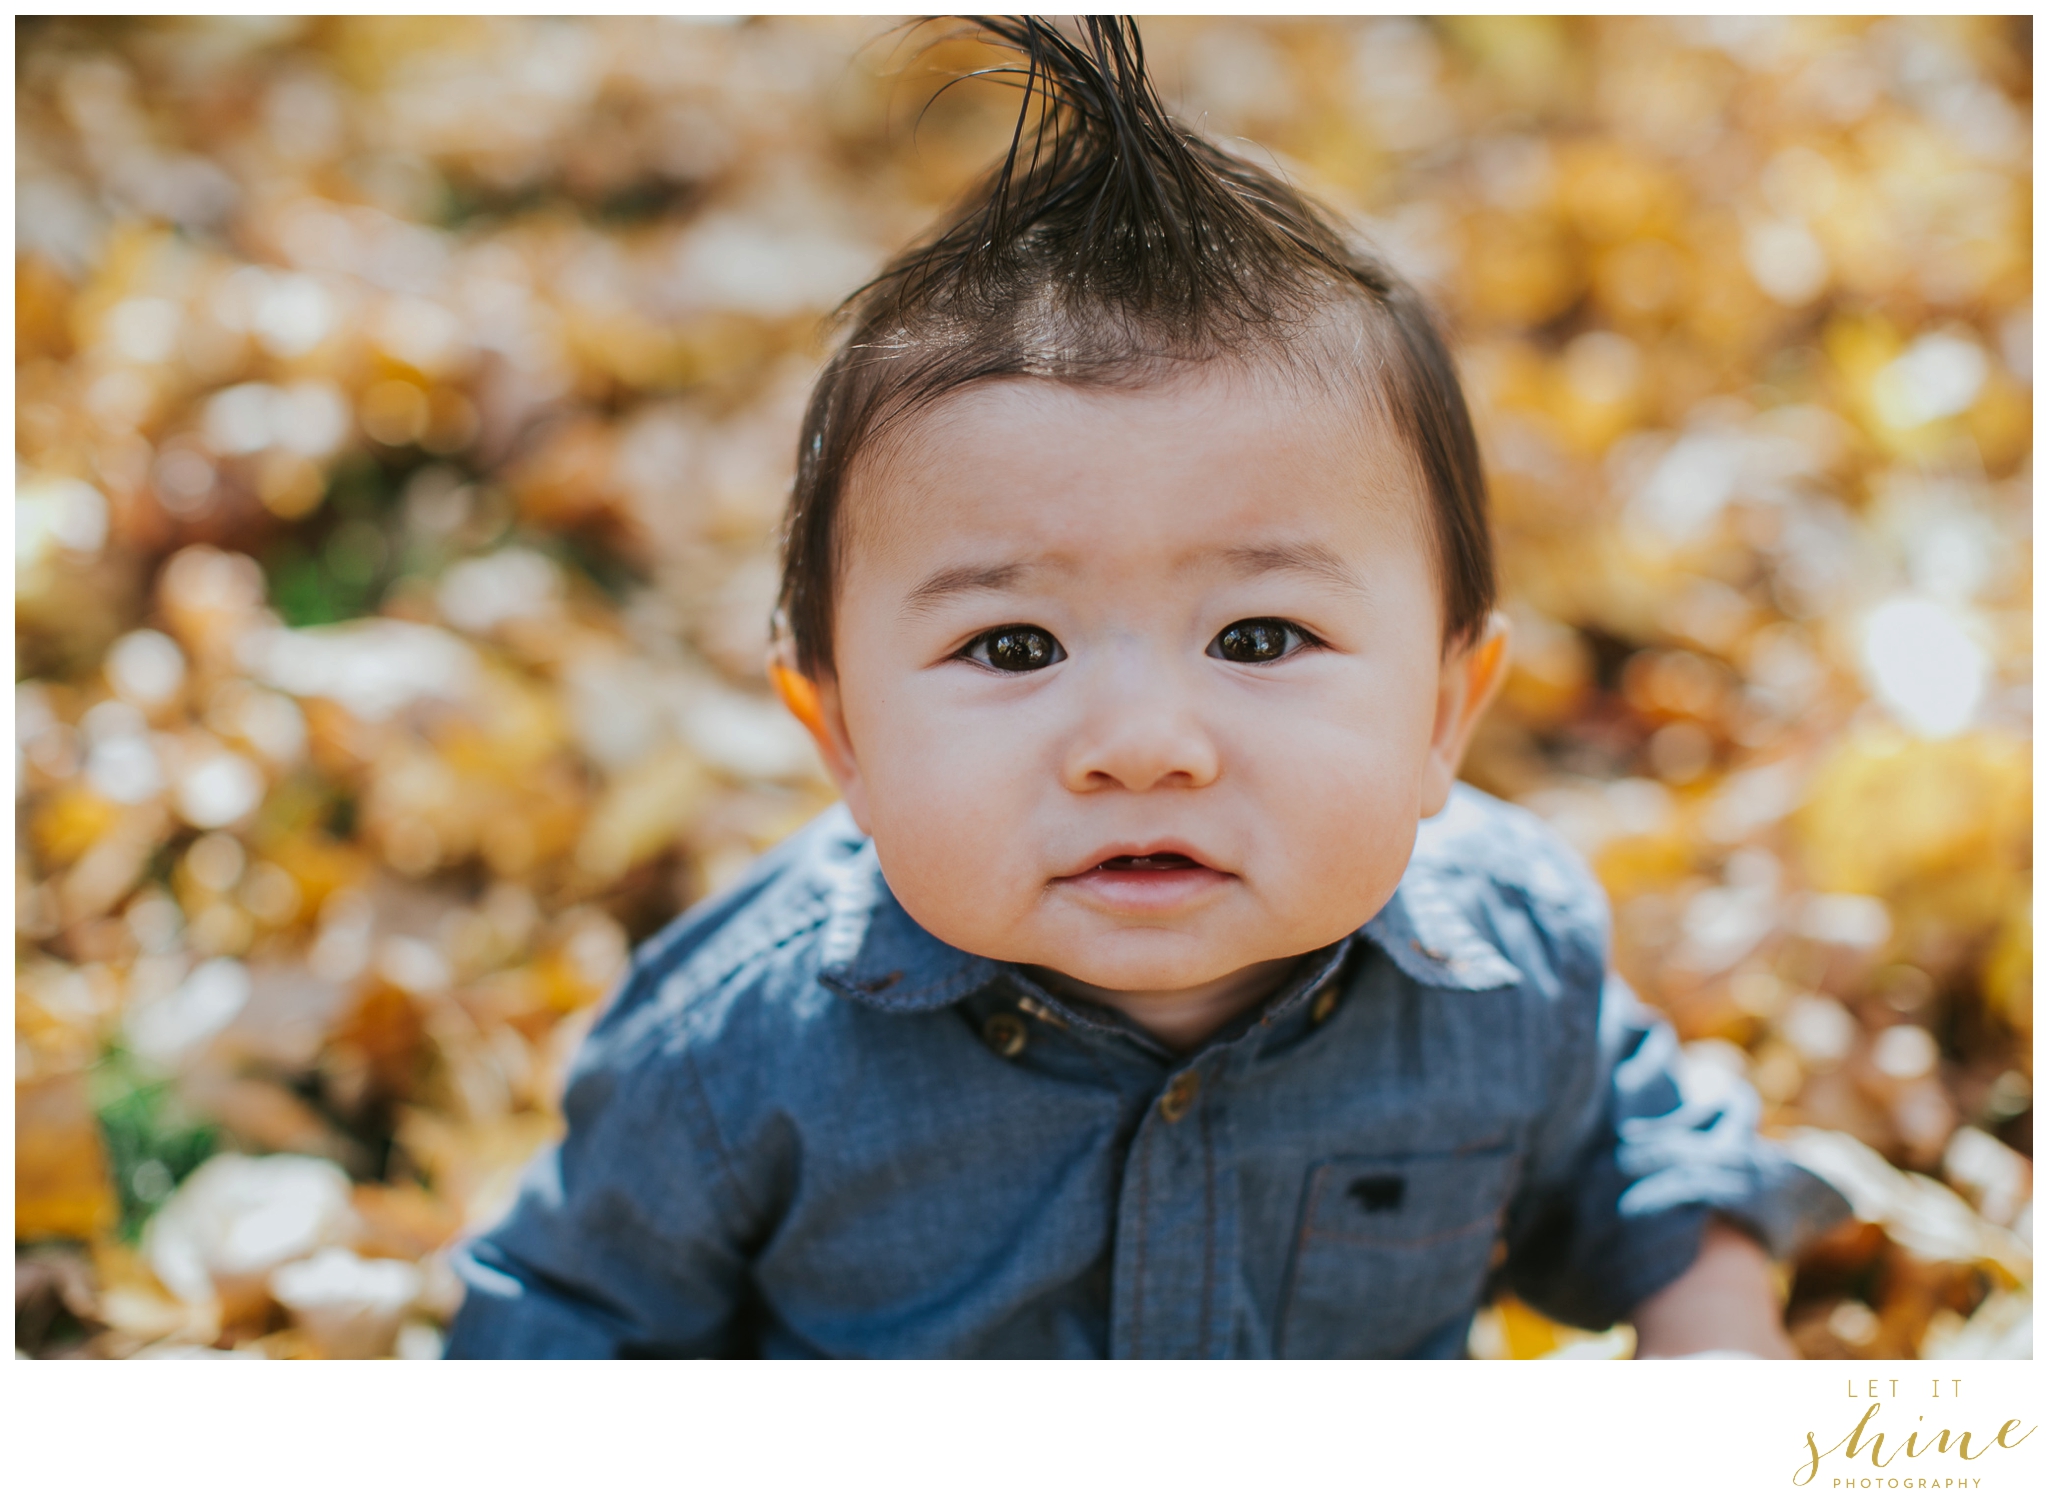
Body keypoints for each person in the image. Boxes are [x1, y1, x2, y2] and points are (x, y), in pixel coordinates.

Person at [445, 17, 1846, 1359]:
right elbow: (566, 1318)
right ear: (843, 737)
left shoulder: (1506, 968)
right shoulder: (748, 1049)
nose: (1142, 746)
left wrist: (1711, 1338)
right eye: (1013, 648)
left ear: (1441, 714)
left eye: (1256, 638)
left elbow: (1650, 1162)